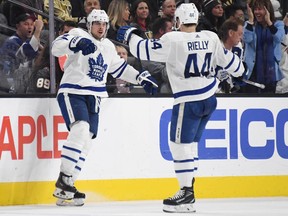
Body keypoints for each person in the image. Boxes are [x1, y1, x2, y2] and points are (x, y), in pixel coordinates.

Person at [117, 2, 245, 213]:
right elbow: (237, 68)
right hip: (209, 99)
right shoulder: (211, 37)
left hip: (188, 101)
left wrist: (130, 34)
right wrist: (238, 52)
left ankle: (186, 192)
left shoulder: (173, 39)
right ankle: (189, 188)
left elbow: (142, 49)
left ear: (177, 21)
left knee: (179, 145)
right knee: (191, 146)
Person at [51, 9, 157, 206]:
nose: (101, 27)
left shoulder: (108, 46)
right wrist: (74, 43)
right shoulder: (78, 34)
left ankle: (67, 187)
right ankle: (64, 178)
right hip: (74, 91)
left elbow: (120, 68)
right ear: (90, 25)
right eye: (97, 23)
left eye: (104, 24)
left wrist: (141, 77)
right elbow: (56, 48)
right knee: (80, 129)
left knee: (87, 140)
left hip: (96, 96)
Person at [242, 0, 285, 93]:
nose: (257, 12)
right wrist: (250, 21)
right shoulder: (249, 25)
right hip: (252, 70)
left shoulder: (278, 24)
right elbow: (247, 39)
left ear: (268, 10)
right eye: (255, 9)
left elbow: (279, 38)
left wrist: (269, 23)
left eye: (260, 9)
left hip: (271, 71)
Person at [0, 13, 44, 94]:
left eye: (32, 24)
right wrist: (38, 30)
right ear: (17, 26)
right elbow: (29, 51)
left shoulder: (24, 41)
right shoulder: (12, 41)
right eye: (26, 24)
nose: (30, 27)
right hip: (7, 82)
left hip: (18, 80)